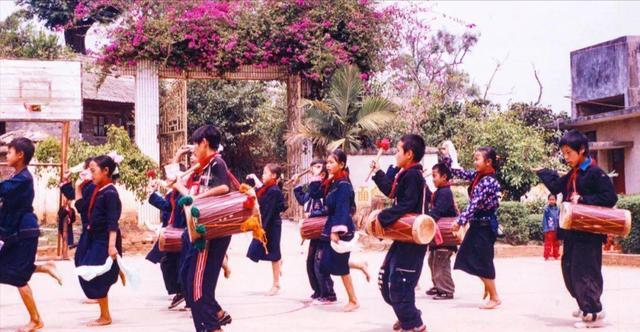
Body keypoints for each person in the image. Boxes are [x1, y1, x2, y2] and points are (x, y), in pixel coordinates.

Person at [535, 129, 617, 328]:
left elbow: (610, 198)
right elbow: (556, 186)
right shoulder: (573, 174)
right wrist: (542, 171)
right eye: (563, 154)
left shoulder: (595, 172)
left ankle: (594, 313)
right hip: (573, 232)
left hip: (589, 233)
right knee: (569, 269)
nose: (566, 158)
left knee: (585, 271)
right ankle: (584, 304)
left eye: (568, 153)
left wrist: (584, 199)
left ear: (581, 150)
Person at [172, 125, 233, 332]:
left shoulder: (216, 162)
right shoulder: (204, 167)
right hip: (202, 232)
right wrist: (179, 186)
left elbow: (224, 188)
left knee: (196, 288)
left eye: (195, 145)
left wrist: (196, 198)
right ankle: (215, 321)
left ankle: (212, 326)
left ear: (204, 143)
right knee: (194, 285)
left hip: (210, 234)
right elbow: (191, 197)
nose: (194, 150)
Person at [0, 137, 61, 332]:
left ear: (20, 155)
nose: (6, 155)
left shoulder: (23, 178)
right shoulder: (18, 176)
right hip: (19, 229)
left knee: (18, 276)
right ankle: (44, 268)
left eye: (9, 152)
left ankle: (36, 320)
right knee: (8, 268)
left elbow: (2, 190)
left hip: (25, 230)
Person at [371, 134, 429, 332]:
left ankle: (414, 324)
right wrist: (378, 172)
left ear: (409, 154)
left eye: (397, 150)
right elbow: (391, 191)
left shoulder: (413, 175)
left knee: (400, 282)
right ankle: (407, 316)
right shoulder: (406, 173)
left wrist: (382, 217)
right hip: (404, 241)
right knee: (387, 278)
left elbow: (406, 205)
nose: (395, 154)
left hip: (413, 241)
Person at [446, 145, 503, 309]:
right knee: (467, 257)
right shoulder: (479, 176)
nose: (475, 162)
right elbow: (460, 173)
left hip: (485, 226)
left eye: (477, 158)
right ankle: (488, 285)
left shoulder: (488, 181)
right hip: (478, 225)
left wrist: (459, 221)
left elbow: (474, 204)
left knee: (483, 260)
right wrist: (449, 158)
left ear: (488, 162)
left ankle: (494, 296)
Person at [77, 155, 123, 326]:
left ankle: (105, 316)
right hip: (93, 237)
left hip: (104, 240)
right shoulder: (97, 189)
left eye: (93, 170)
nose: (90, 174)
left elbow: (113, 222)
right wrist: (78, 187)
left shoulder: (110, 193)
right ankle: (116, 270)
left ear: (106, 171)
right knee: (82, 265)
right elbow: (81, 208)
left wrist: (111, 246)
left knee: (94, 273)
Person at [318, 149, 359, 312]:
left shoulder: (343, 184)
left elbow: (343, 209)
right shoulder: (333, 182)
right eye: (327, 162)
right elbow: (316, 194)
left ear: (342, 164)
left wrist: (336, 231)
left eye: (331, 162)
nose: (328, 165)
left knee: (339, 265)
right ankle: (359, 265)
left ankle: (353, 300)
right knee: (328, 264)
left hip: (341, 228)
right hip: (333, 225)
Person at [247, 163, 286, 296]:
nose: (262, 175)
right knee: (259, 251)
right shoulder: (268, 188)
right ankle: (279, 262)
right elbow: (260, 191)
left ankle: (276, 284)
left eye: (265, 173)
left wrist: (261, 229)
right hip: (267, 222)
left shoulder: (274, 191)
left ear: (273, 176)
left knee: (274, 254)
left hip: (271, 225)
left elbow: (268, 211)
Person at [425, 162, 458, 300]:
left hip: (445, 237)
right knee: (433, 260)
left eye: (435, 176)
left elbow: (437, 211)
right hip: (440, 238)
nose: (433, 179)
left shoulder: (445, 193)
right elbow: (430, 198)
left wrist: (425, 222)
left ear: (444, 177)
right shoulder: (440, 191)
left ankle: (446, 290)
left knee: (440, 262)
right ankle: (438, 285)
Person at [541, 193, 561, 260]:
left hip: (556, 228)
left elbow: (560, 218)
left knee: (556, 243)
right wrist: (545, 229)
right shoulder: (547, 209)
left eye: (553, 199)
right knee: (548, 243)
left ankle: (556, 255)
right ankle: (546, 256)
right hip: (549, 229)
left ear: (556, 200)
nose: (551, 201)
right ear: (548, 200)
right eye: (550, 199)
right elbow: (544, 220)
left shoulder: (558, 209)